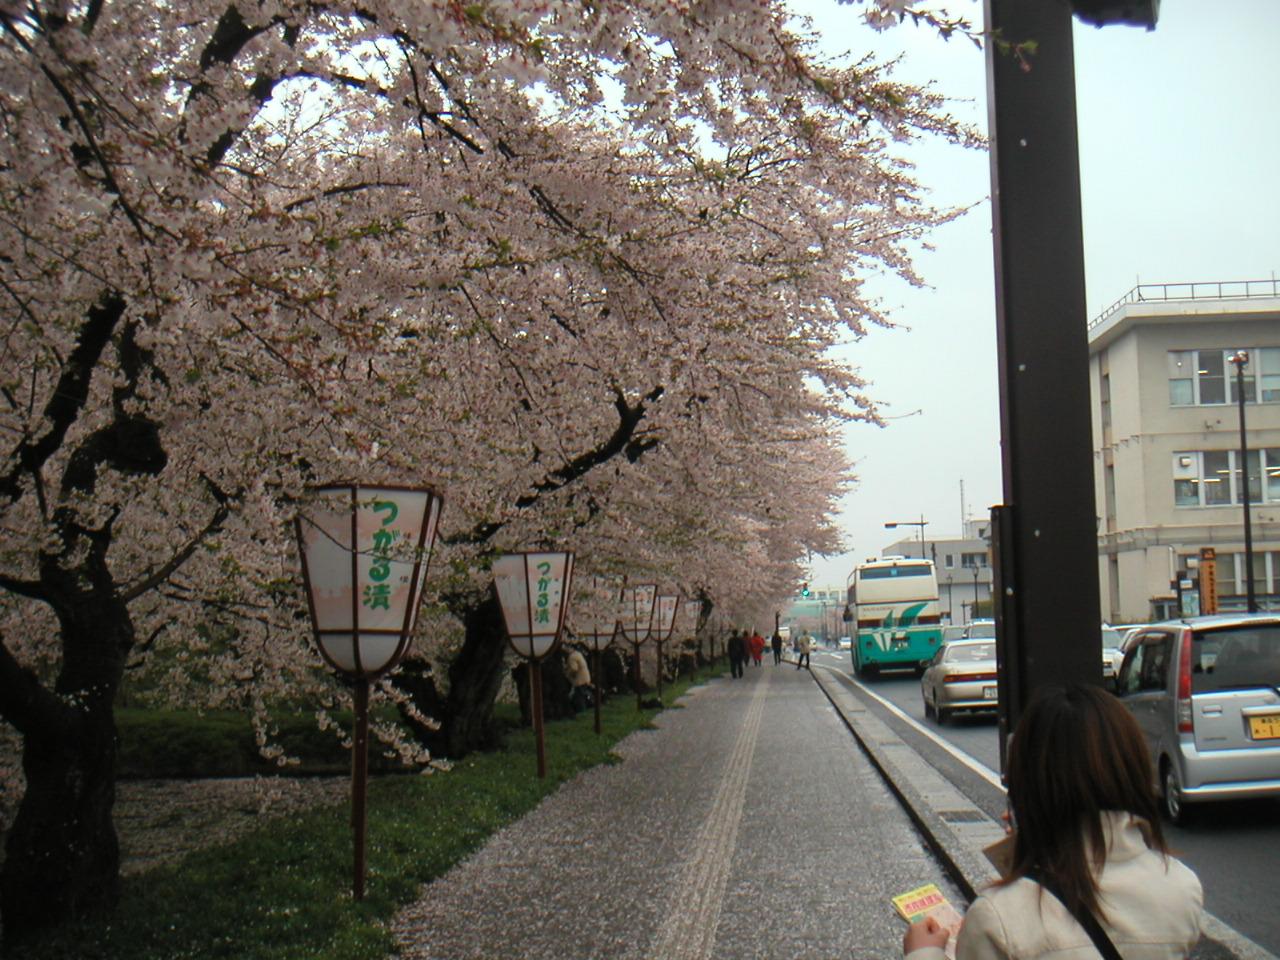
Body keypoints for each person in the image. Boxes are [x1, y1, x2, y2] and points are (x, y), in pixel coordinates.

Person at [903, 683, 1203, 960]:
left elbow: (1047, 901)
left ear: (1029, 787)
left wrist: (923, 953)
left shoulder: (997, 918)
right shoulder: (1181, 889)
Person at [564, 645, 591, 714]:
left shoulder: (572, 657)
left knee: (579, 697)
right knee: (582, 695)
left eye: (566, 647)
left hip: (579, 680)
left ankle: (581, 712)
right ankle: (584, 710)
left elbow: (574, 669)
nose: (565, 649)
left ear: (570, 648)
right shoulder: (578, 654)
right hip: (586, 678)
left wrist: (567, 674)